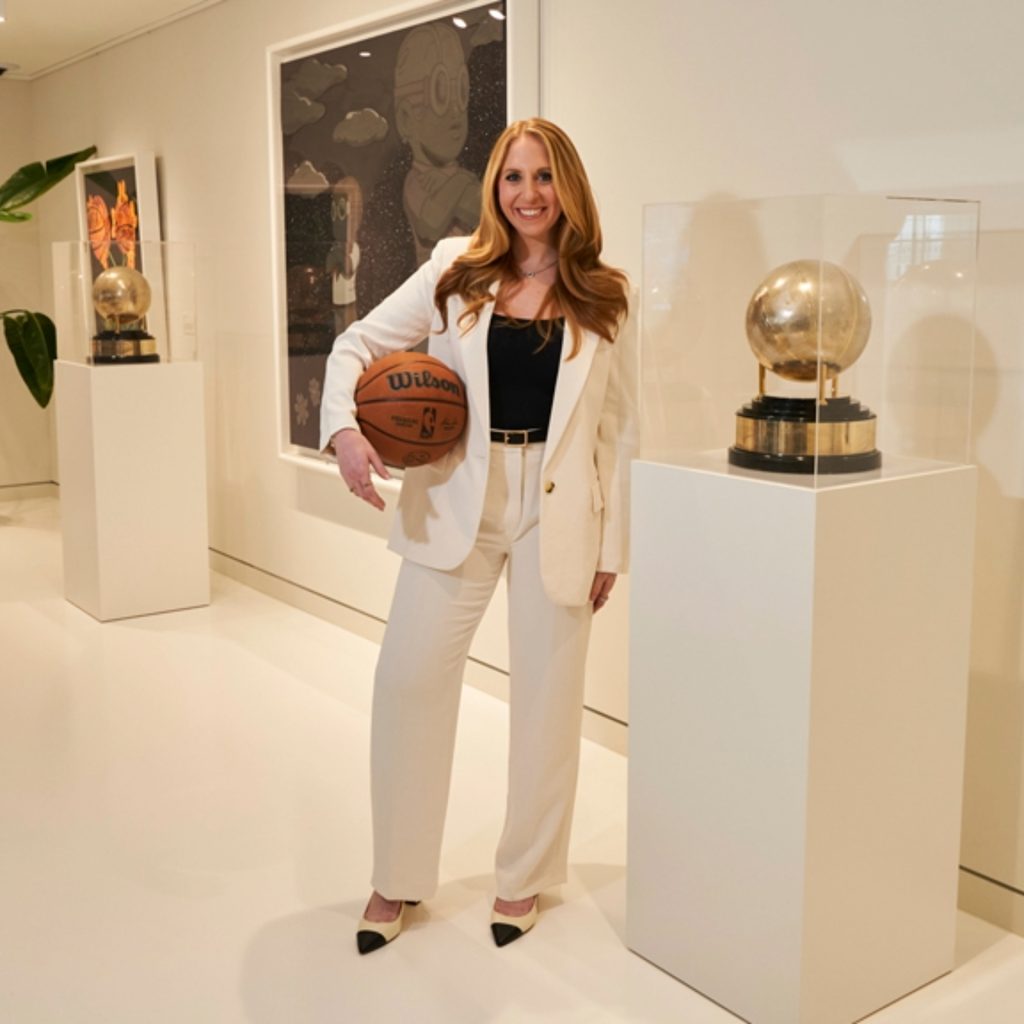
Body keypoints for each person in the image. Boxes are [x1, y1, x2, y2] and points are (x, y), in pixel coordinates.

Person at [319, 117, 636, 953]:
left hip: (558, 505)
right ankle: (397, 879)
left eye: (543, 177)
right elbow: (356, 345)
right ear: (494, 188)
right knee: (408, 685)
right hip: (462, 490)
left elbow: (621, 429)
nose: (528, 194)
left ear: (568, 186)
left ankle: (523, 880)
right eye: (512, 178)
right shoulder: (454, 271)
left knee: (546, 701)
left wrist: (613, 548)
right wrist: (346, 432)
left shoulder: (608, 291)